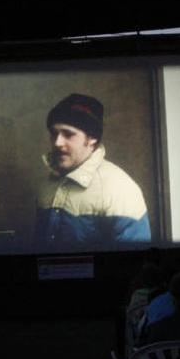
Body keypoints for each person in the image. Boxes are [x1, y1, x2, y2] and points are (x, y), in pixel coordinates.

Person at [35, 93, 150, 245]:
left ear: (92, 138)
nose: (57, 142)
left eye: (68, 134)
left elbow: (131, 262)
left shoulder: (121, 189)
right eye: (54, 133)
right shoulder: (47, 184)